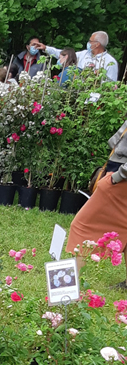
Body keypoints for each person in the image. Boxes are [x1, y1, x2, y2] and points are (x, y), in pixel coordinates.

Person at [67, 118, 127, 285]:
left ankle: (70, 283)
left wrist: (116, 177)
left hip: (120, 179)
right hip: (118, 175)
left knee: (81, 225)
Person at [41, 31, 119, 82]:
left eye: (90, 41)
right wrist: (46, 48)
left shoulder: (110, 62)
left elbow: (111, 84)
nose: (88, 43)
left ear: (97, 44)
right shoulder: (84, 54)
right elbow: (65, 56)